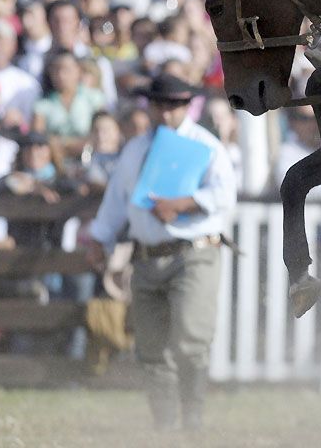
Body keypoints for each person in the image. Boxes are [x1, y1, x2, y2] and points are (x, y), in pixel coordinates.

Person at [83, 73, 236, 432]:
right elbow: (116, 203)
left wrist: (183, 204)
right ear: (151, 106)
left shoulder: (207, 145)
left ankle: (193, 419)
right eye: (161, 104)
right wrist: (99, 238)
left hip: (194, 251)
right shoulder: (136, 149)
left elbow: (225, 197)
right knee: (151, 348)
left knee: (190, 339)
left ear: (186, 106)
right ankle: (166, 426)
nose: (167, 111)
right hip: (147, 254)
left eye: (175, 105)